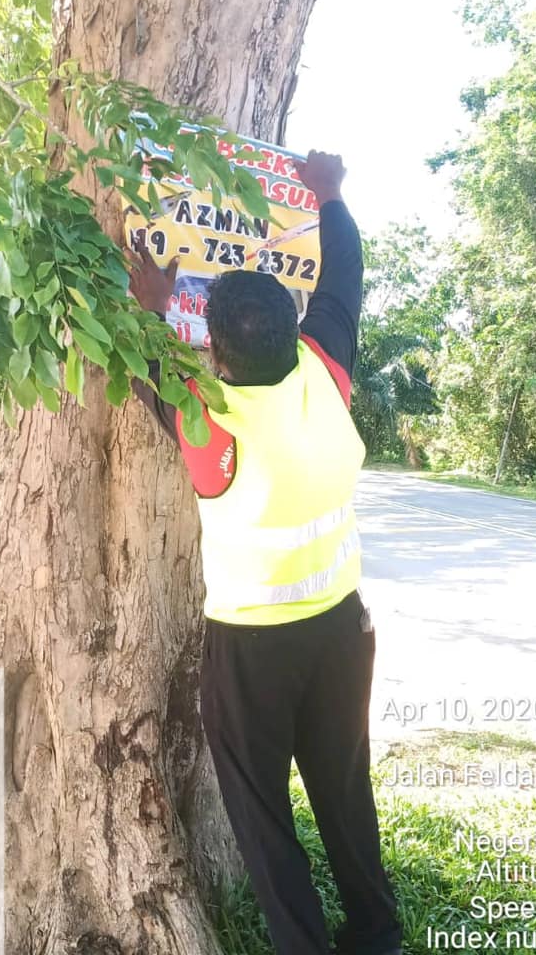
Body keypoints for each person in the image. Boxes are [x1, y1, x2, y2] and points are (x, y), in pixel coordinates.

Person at [127, 150, 402, 955]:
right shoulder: (326, 372)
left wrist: (153, 299)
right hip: (343, 632)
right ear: (295, 327)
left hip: (252, 649)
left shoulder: (206, 420)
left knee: (260, 811)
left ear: (213, 351)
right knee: (344, 789)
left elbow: (146, 361)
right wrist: (331, 196)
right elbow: (343, 278)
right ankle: (377, 933)